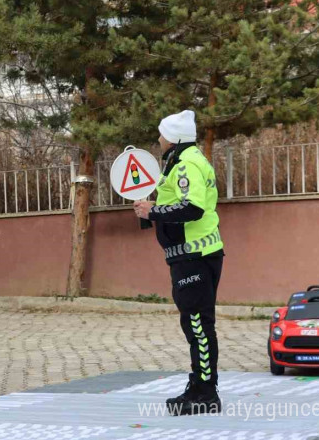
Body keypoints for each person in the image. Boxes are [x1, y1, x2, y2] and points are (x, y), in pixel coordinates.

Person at [133, 110, 224, 416]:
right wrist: (153, 209)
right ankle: (201, 386)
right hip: (194, 255)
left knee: (197, 326)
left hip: (194, 257)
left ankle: (204, 393)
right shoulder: (184, 161)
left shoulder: (186, 164)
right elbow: (180, 202)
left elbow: (193, 207)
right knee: (198, 325)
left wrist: (154, 213)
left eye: (161, 133)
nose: (158, 139)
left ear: (172, 137)